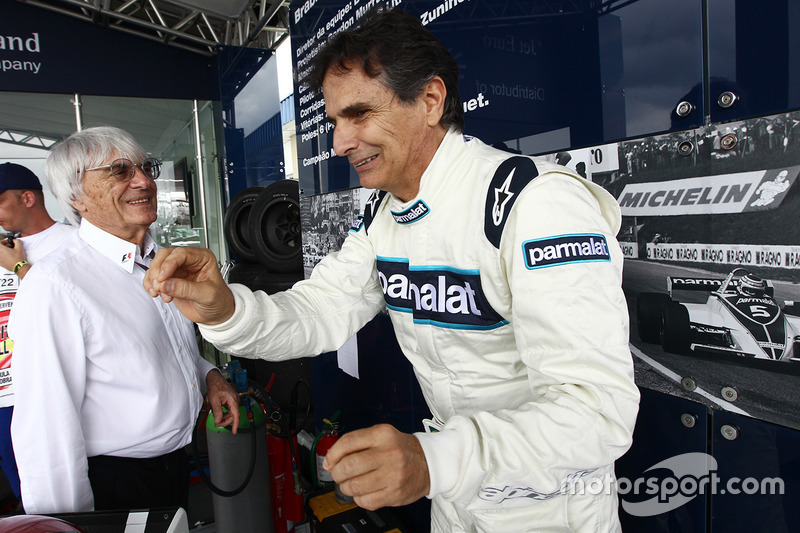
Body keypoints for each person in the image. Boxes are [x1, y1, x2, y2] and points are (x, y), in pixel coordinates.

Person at [145, 8, 639, 532]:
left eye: (360, 114)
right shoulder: (384, 211)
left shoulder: (535, 204)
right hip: (455, 497)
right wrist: (227, 310)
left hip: (551, 508)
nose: (339, 142)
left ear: (430, 101)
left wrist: (435, 459)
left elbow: (598, 413)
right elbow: (320, 310)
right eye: (335, 120)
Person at [8, 126, 240, 515]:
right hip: (116, 485)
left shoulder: (160, 258)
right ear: (76, 196)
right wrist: (69, 524)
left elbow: (169, 347)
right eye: (119, 171)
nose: (144, 181)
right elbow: (46, 429)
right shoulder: (55, 285)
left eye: (145, 167)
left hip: (173, 467)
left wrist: (209, 376)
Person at [0, 163, 75, 507]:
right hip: (4, 399)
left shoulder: (74, 243)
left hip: (51, 393)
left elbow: (69, 309)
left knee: (65, 499)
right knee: (29, 502)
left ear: (27, 198)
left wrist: (19, 269)